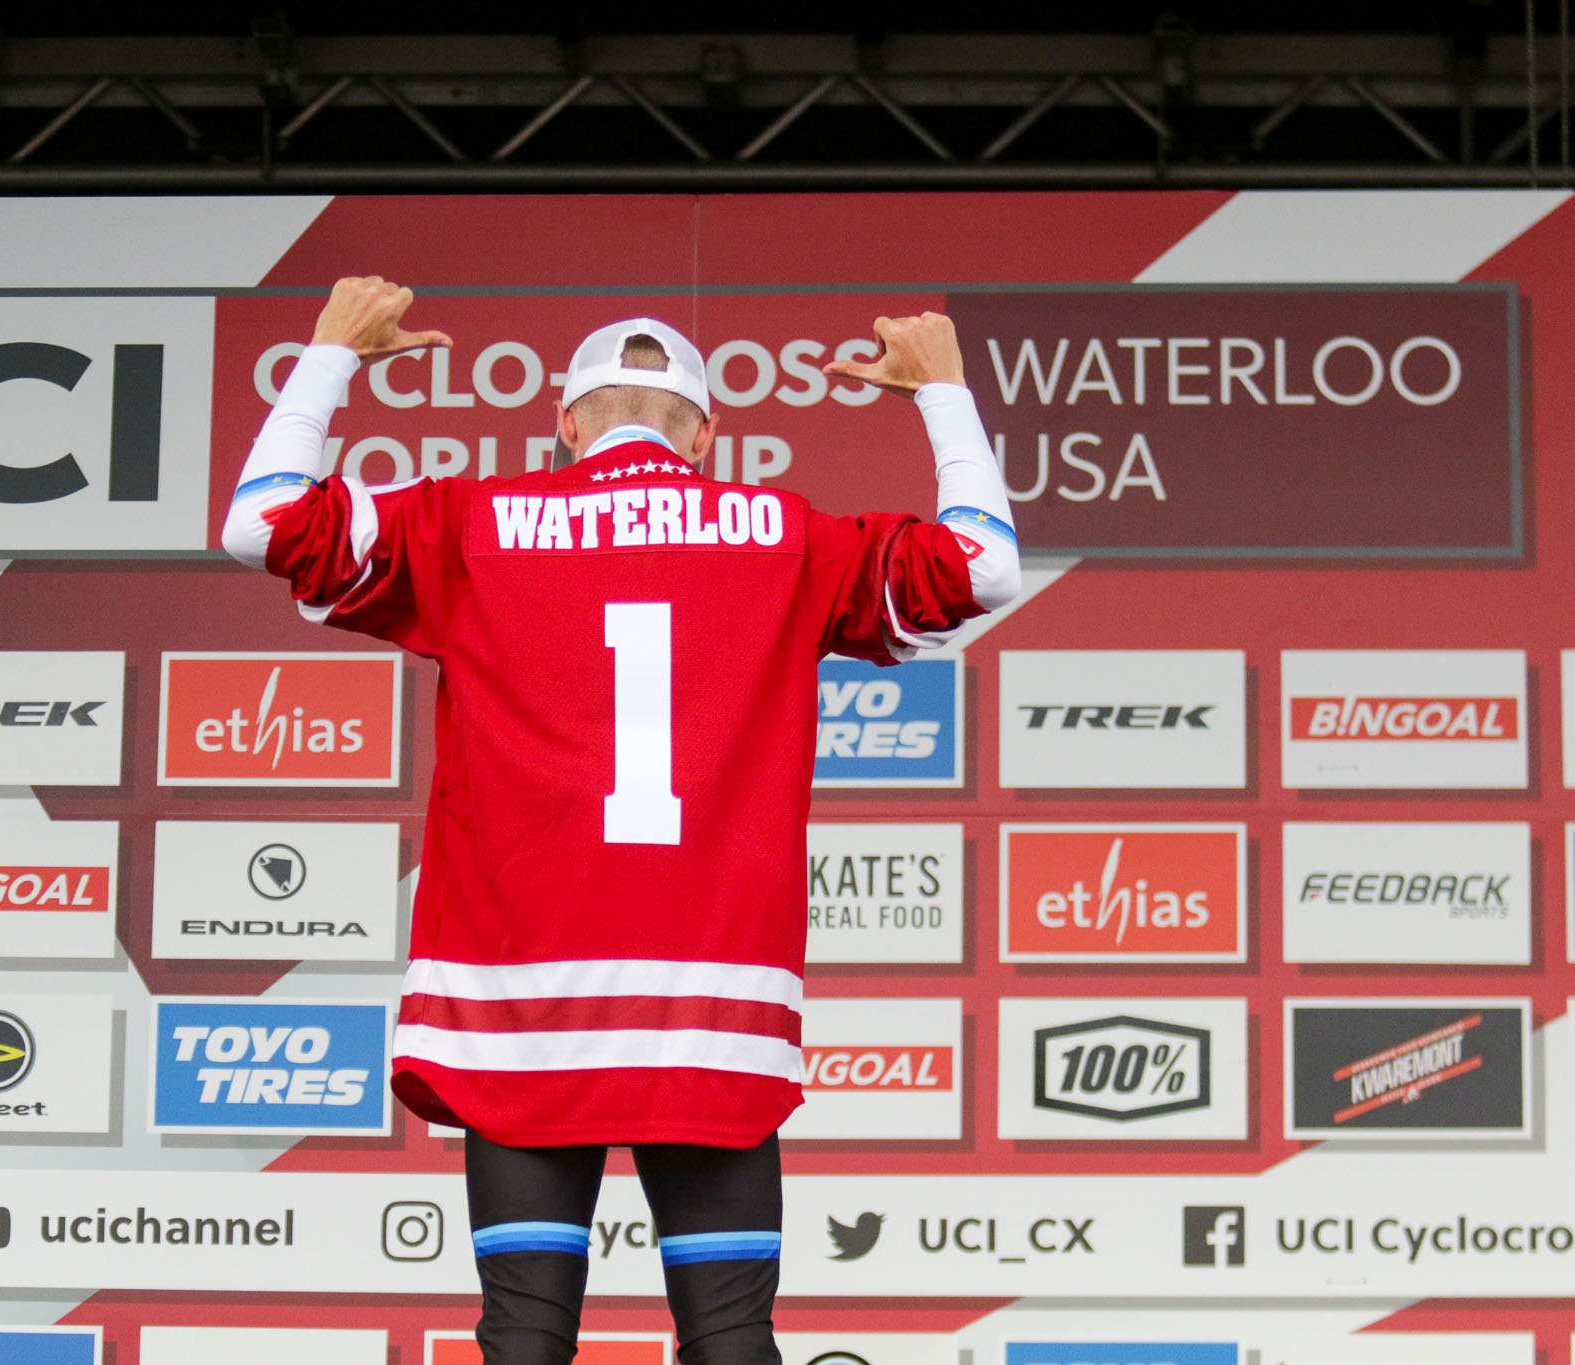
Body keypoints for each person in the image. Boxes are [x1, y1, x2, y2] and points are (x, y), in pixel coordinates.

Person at [221, 277, 1021, 1365]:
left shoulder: (472, 523)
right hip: (714, 1003)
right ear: (704, 435)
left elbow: (260, 522)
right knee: (732, 1340)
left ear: (566, 423)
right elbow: (984, 565)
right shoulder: (787, 535)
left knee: (524, 1340)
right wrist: (942, 389)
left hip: (516, 1002)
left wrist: (331, 352)